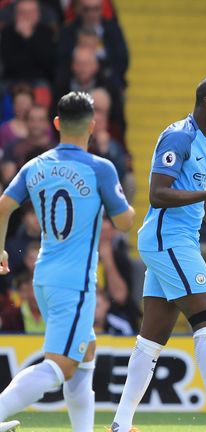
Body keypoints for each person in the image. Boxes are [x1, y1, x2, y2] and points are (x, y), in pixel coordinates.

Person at [109, 76, 206, 432]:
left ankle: (121, 423)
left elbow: (204, 202)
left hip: (174, 241)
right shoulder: (180, 137)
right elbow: (158, 194)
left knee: (152, 338)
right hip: (168, 240)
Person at [0, 91, 135, 432]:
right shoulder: (99, 168)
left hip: (44, 276)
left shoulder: (35, 165)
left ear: (56, 124)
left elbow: (3, 206)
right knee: (61, 366)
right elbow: (123, 223)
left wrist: (1, 249)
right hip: (74, 283)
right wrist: (127, 208)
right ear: (92, 126)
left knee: (85, 354)